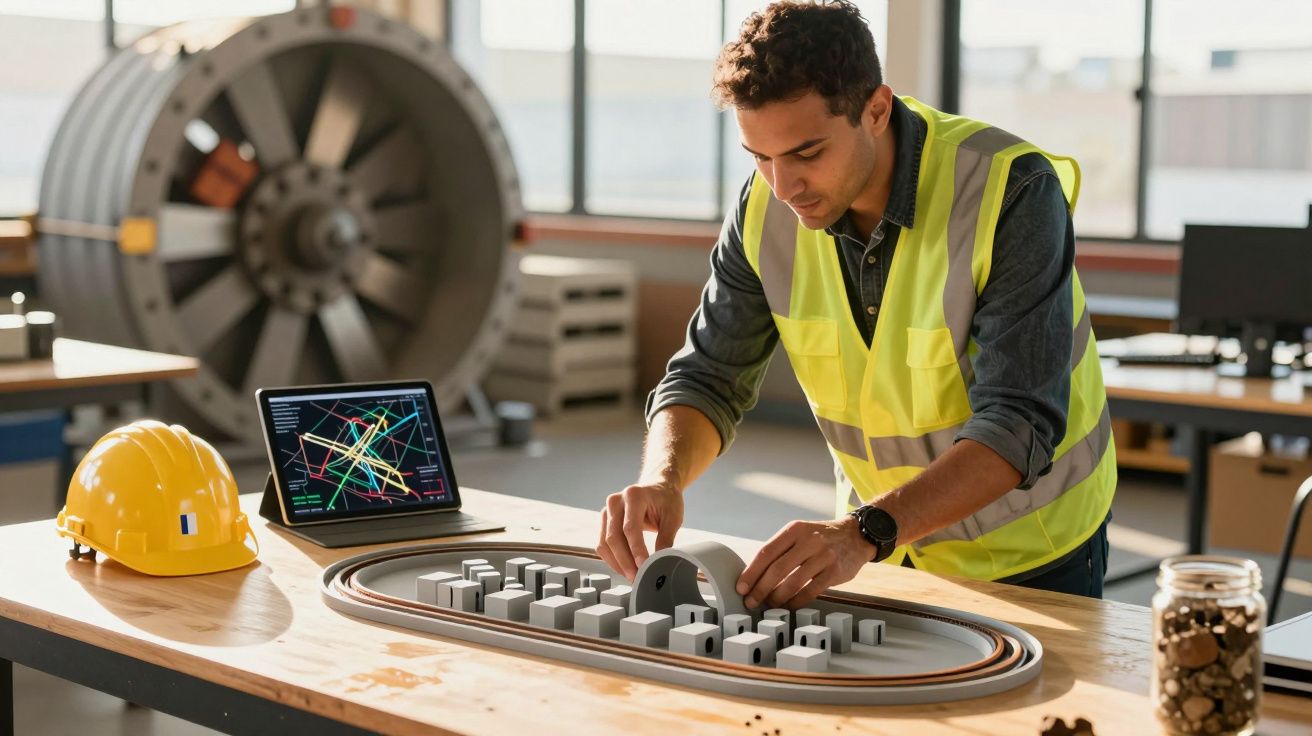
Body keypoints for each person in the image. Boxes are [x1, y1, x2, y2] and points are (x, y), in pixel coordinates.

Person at [596, 0, 1116, 610]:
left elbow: (1017, 424)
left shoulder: (1010, 190)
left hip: (1031, 551)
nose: (782, 187)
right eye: (759, 157)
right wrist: (662, 477)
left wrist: (862, 534)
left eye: (807, 154)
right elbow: (709, 375)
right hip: (881, 545)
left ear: (875, 109)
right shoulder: (764, 208)